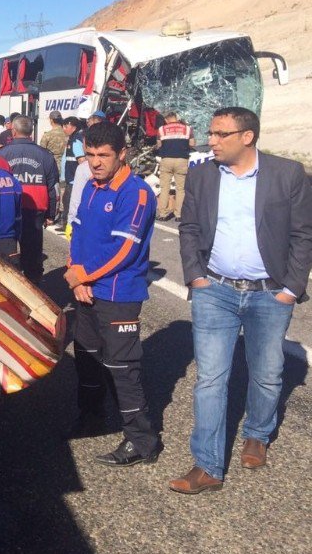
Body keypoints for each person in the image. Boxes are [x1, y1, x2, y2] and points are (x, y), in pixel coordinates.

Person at [170, 107, 312, 494]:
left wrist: (291, 289)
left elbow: (303, 235)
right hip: (215, 290)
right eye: (210, 133)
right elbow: (189, 228)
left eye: (219, 134)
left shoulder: (287, 175)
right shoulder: (201, 176)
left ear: (247, 136)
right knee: (211, 378)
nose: (210, 141)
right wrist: (196, 276)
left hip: (270, 293)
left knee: (267, 374)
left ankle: (257, 433)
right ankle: (208, 465)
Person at [64, 121, 161, 467]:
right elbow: (76, 231)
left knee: (122, 367)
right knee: (87, 357)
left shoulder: (135, 193)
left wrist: (83, 275)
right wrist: (77, 275)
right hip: (86, 288)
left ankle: (142, 441)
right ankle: (91, 417)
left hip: (119, 293)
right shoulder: (91, 186)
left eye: (103, 155)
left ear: (122, 154)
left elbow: (124, 250)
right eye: (90, 154)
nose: (96, 162)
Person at [0, 116, 58, 283]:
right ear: (31, 131)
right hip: (35, 210)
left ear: (13, 131)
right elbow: (53, 188)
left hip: (8, 210)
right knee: (32, 254)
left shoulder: (2, 154)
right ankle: (34, 287)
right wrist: (51, 214)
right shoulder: (45, 155)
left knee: (7, 252)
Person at [155, 111, 195, 221]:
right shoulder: (187, 129)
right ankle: (179, 215)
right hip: (181, 160)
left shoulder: (161, 129)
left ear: (166, 120)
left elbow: (159, 145)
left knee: (164, 188)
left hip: (166, 160)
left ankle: (163, 214)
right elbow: (192, 144)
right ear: (176, 118)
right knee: (180, 189)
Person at [58, 116, 86, 230]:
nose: (64, 128)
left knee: (69, 202)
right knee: (66, 200)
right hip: (71, 178)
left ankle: (68, 225)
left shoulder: (75, 141)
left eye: (66, 126)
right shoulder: (72, 139)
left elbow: (81, 161)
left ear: (73, 127)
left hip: (74, 179)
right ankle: (65, 224)